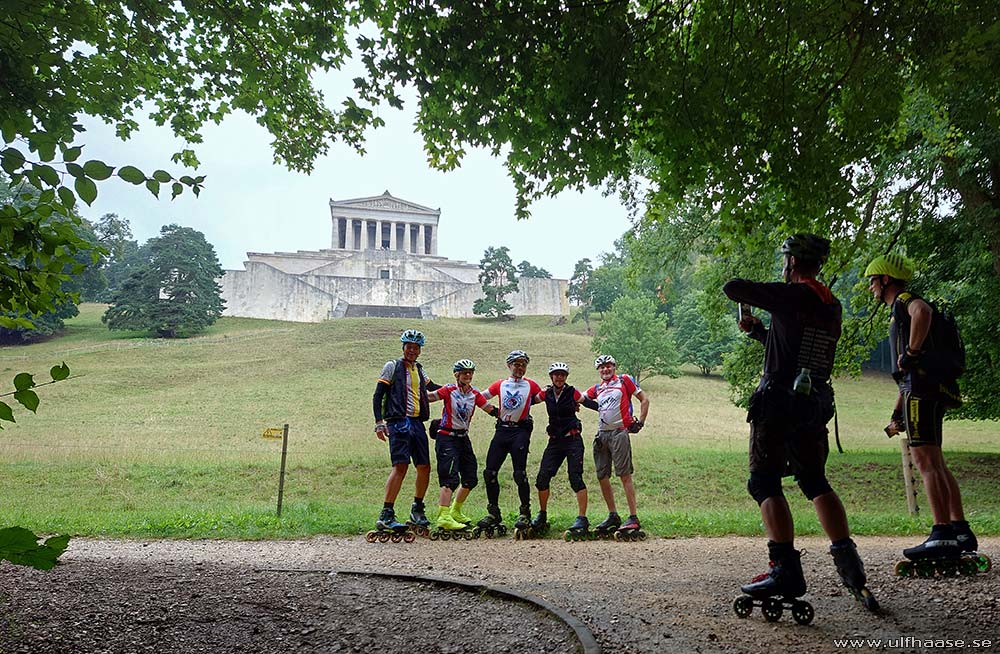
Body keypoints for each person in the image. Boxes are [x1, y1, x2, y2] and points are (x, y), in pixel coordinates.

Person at [723, 233, 877, 610]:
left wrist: (756, 296)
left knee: (764, 482)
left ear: (792, 262)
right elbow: (797, 349)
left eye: (785, 258)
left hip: (777, 402)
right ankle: (850, 566)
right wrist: (761, 331)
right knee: (813, 479)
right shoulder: (831, 304)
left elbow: (732, 287)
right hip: (812, 401)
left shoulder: (793, 295)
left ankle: (785, 569)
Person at [865, 252, 978, 564]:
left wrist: (912, 352)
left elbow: (923, 312)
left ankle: (941, 534)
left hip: (921, 392)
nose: (871, 287)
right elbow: (907, 375)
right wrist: (897, 410)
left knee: (925, 462)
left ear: (885, 278)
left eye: (873, 281)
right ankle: (960, 530)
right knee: (936, 462)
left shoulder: (904, 300)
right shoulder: (900, 308)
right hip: (923, 391)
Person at [371, 329, 440, 535]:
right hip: (398, 421)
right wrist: (379, 422)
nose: (412, 350)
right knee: (400, 466)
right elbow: (378, 395)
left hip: (417, 422)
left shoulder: (419, 369)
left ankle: (417, 509)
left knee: (424, 466)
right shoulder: (392, 366)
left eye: (416, 347)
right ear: (403, 347)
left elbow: (432, 387)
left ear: (420, 350)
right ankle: (386, 514)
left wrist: (455, 387)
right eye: (409, 346)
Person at [426, 359, 499, 534]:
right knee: (449, 477)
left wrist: (515, 416)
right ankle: (443, 516)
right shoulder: (449, 390)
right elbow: (429, 397)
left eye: (470, 372)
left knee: (470, 478)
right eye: (464, 372)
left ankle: (455, 511)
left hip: (463, 439)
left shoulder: (475, 394)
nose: (468, 375)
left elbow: (491, 410)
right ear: (456, 374)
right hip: (446, 437)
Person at [476, 350, 544, 536]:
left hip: (520, 431)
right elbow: (478, 397)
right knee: (489, 471)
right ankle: (494, 513)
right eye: (516, 364)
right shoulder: (500, 384)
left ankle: (524, 512)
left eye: (523, 364)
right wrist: (492, 411)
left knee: (519, 473)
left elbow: (544, 397)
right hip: (502, 430)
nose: (519, 367)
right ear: (509, 365)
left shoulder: (531, 385)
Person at [529, 362, 600, 540]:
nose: (559, 377)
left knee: (575, 478)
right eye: (556, 374)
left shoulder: (572, 392)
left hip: (573, 440)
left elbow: (589, 403)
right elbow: (529, 401)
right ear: (551, 377)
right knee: (542, 478)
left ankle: (582, 519)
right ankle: (542, 515)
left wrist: (607, 409)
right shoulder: (545, 393)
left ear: (566, 377)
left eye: (562, 374)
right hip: (554, 442)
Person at [584, 354, 650, 539]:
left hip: (619, 432)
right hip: (602, 434)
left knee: (624, 475)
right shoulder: (597, 388)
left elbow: (644, 399)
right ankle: (613, 515)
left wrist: (641, 422)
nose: (605, 369)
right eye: (602, 367)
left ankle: (633, 517)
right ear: (598, 370)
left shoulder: (624, 380)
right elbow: (579, 397)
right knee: (602, 476)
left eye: (608, 366)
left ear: (614, 367)